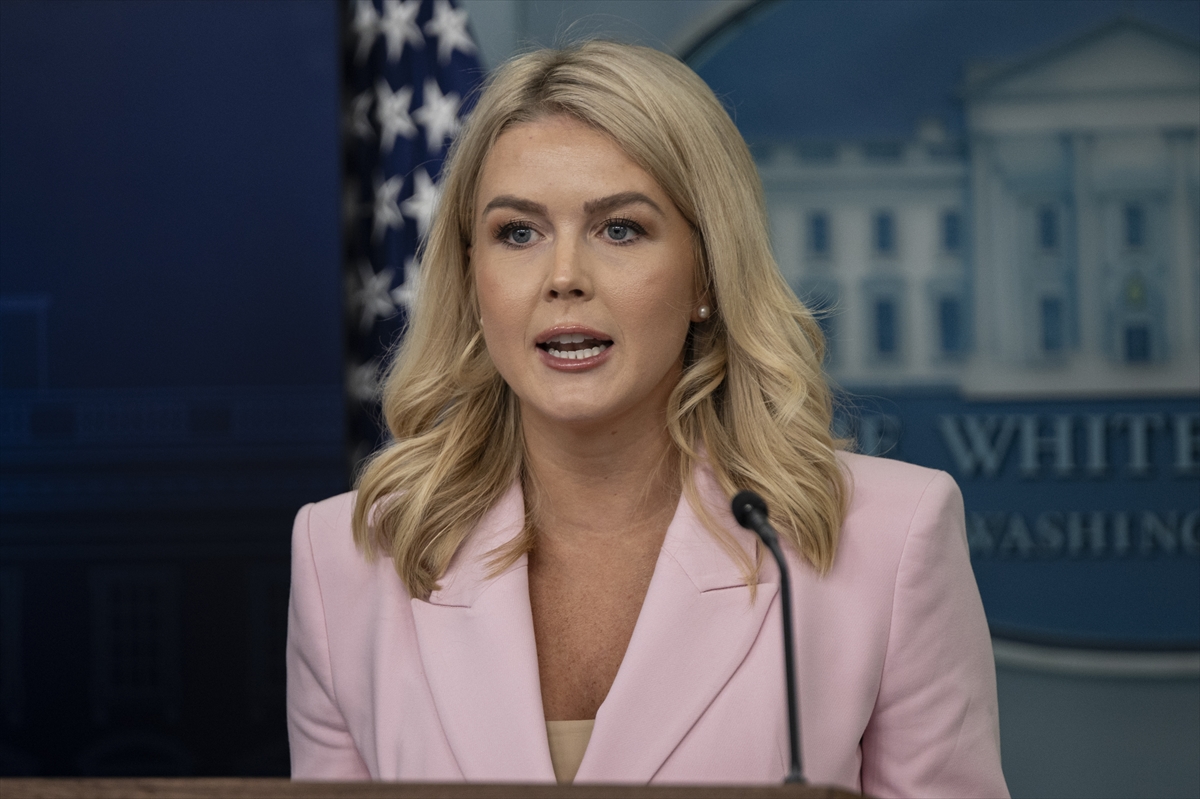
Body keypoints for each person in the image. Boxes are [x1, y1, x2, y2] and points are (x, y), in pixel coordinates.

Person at [287, 40, 1009, 797]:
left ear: (706, 274)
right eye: (519, 232)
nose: (564, 277)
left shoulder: (891, 539)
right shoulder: (345, 560)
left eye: (620, 229)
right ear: (471, 278)